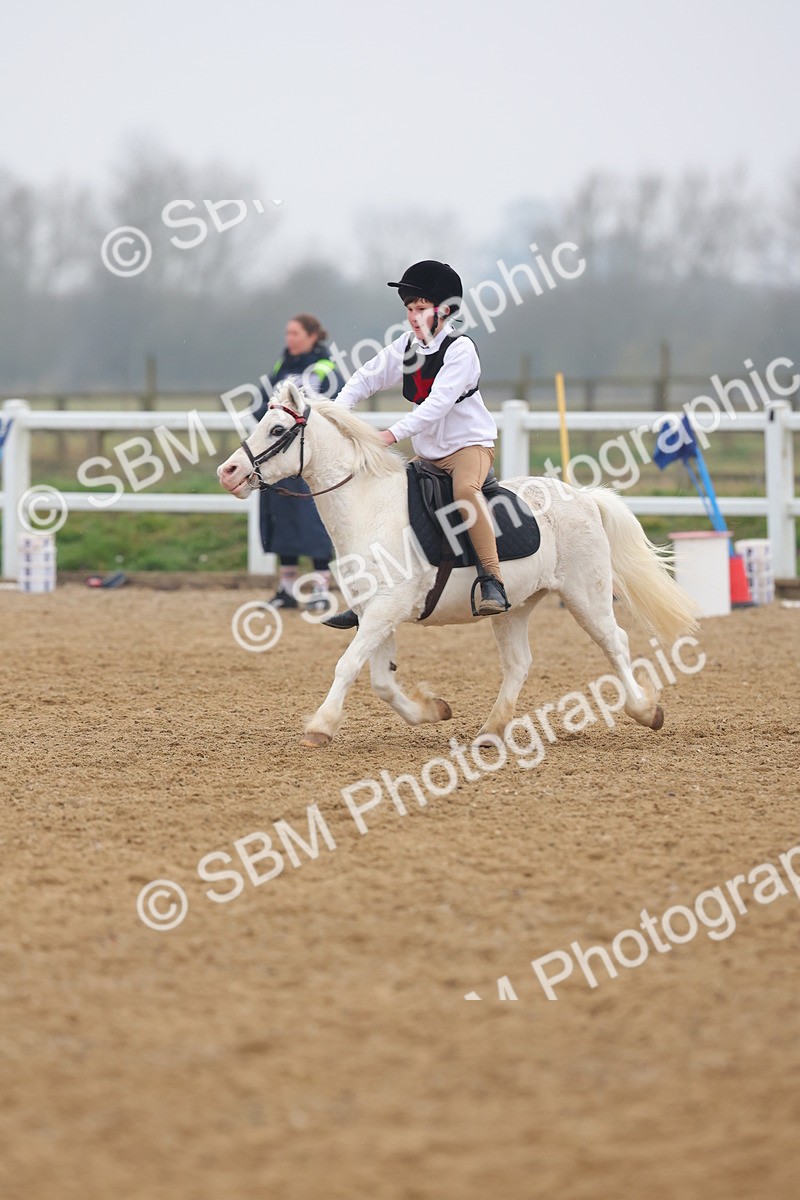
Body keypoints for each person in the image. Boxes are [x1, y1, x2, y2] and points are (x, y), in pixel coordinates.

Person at [324, 259, 509, 630]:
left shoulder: (460, 351)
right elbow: (364, 379)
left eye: (420, 308)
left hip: (468, 449)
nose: (412, 316)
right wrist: (335, 415)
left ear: (444, 311)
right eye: (409, 308)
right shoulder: (405, 346)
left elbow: (438, 405)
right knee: (385, 499)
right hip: (427, 455)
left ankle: (492, 580)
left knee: (465, 492)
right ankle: (367, 597)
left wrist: (390, 435)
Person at [254, 313, 344, 612]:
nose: (289, 339)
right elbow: (261, 407)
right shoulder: (283, 365)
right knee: (281, 520)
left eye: (295, 333)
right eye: (287, 333)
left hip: (309, 457)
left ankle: (321, 585)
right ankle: (287, 587)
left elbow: (329, 410)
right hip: (276, 457)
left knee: (313, 520)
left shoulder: (325, 368)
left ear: (312, 336)